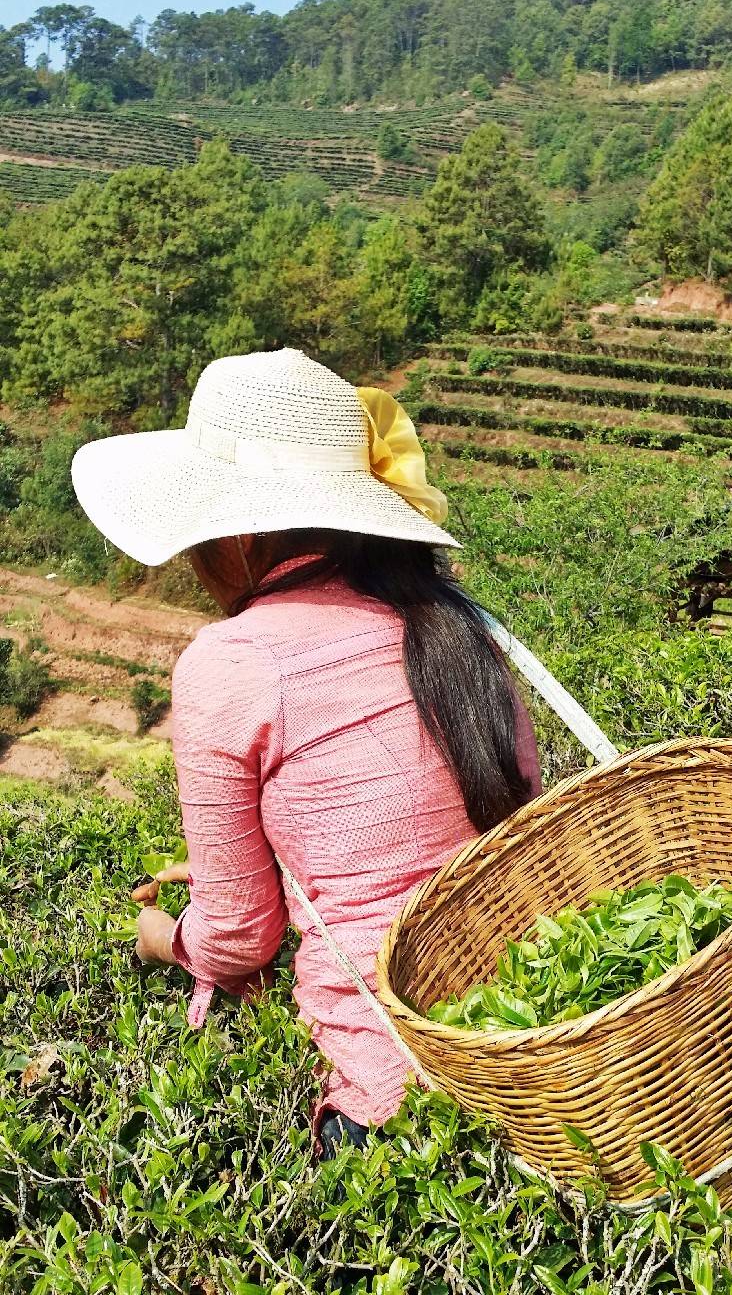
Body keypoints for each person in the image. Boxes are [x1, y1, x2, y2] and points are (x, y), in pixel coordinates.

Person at [71, 348, 541, 1155]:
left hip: (398, 1097)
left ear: (245, 533)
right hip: (538, 1047)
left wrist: (160, 936)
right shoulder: (457, 626)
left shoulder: (234, 661)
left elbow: (238, 940)